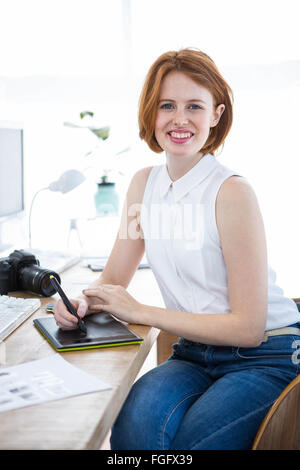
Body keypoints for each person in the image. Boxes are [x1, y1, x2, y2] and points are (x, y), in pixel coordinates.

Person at [53, 48, 300, 450]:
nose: (179, 119)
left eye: (194, 106)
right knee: (134, 431)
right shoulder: (142, 185)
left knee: (190, 444)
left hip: (264, 355)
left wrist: (141, 311)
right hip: (194, 354)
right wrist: (79, 302)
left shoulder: (231, 192)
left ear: (216, 115)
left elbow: (248, 327)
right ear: (152, 113)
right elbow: (113, 279)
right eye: (167, 105)